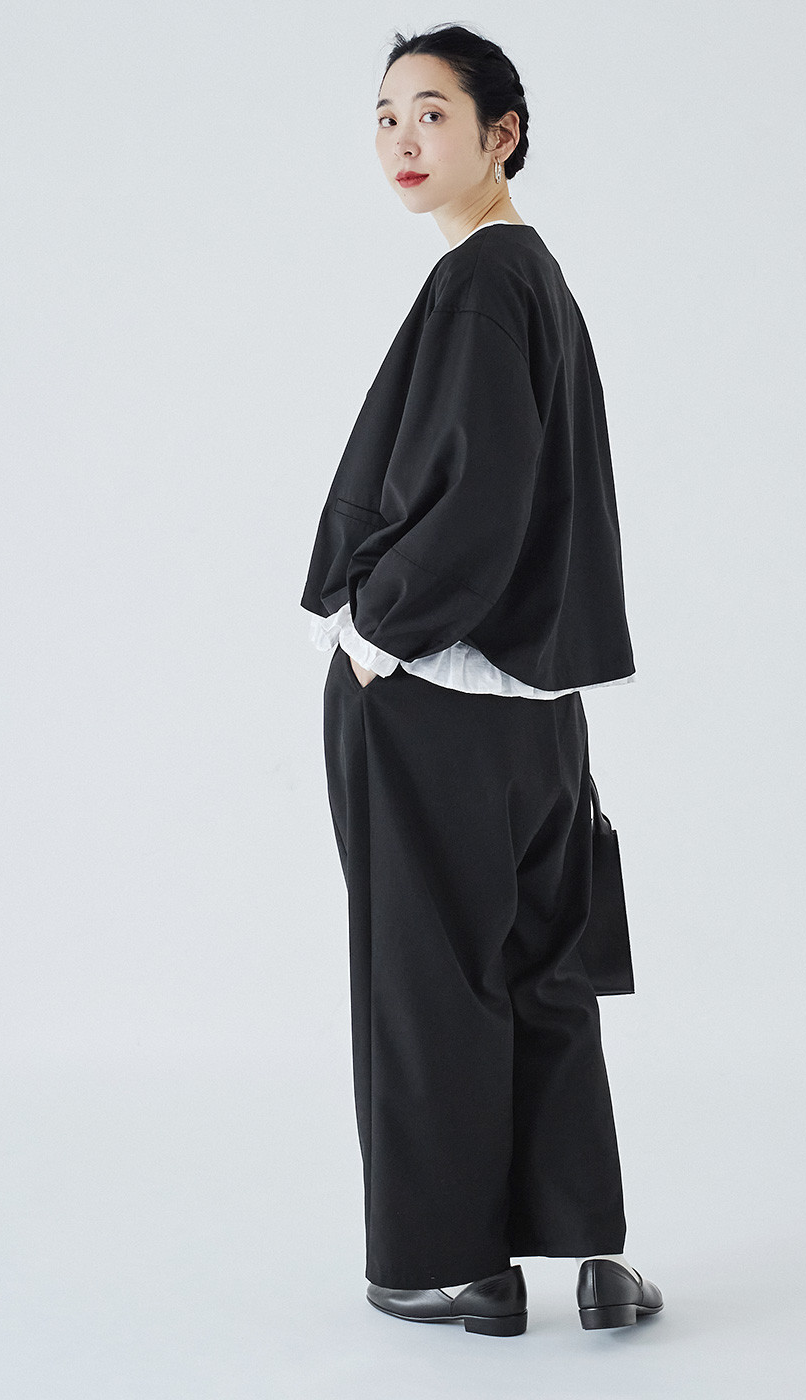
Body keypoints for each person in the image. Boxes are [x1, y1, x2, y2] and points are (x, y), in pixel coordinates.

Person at [300, 24, 663, 1337]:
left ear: (501, 134)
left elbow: (480, 499)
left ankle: (450, 1263)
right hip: (537, 710)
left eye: (433, 114)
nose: (402, 140)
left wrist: (375, 633)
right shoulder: (534, 276)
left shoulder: (479, 281)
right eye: (385, 115)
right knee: (542, 965)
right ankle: (590, 1257)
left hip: (433, 698)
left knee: (427, 974)